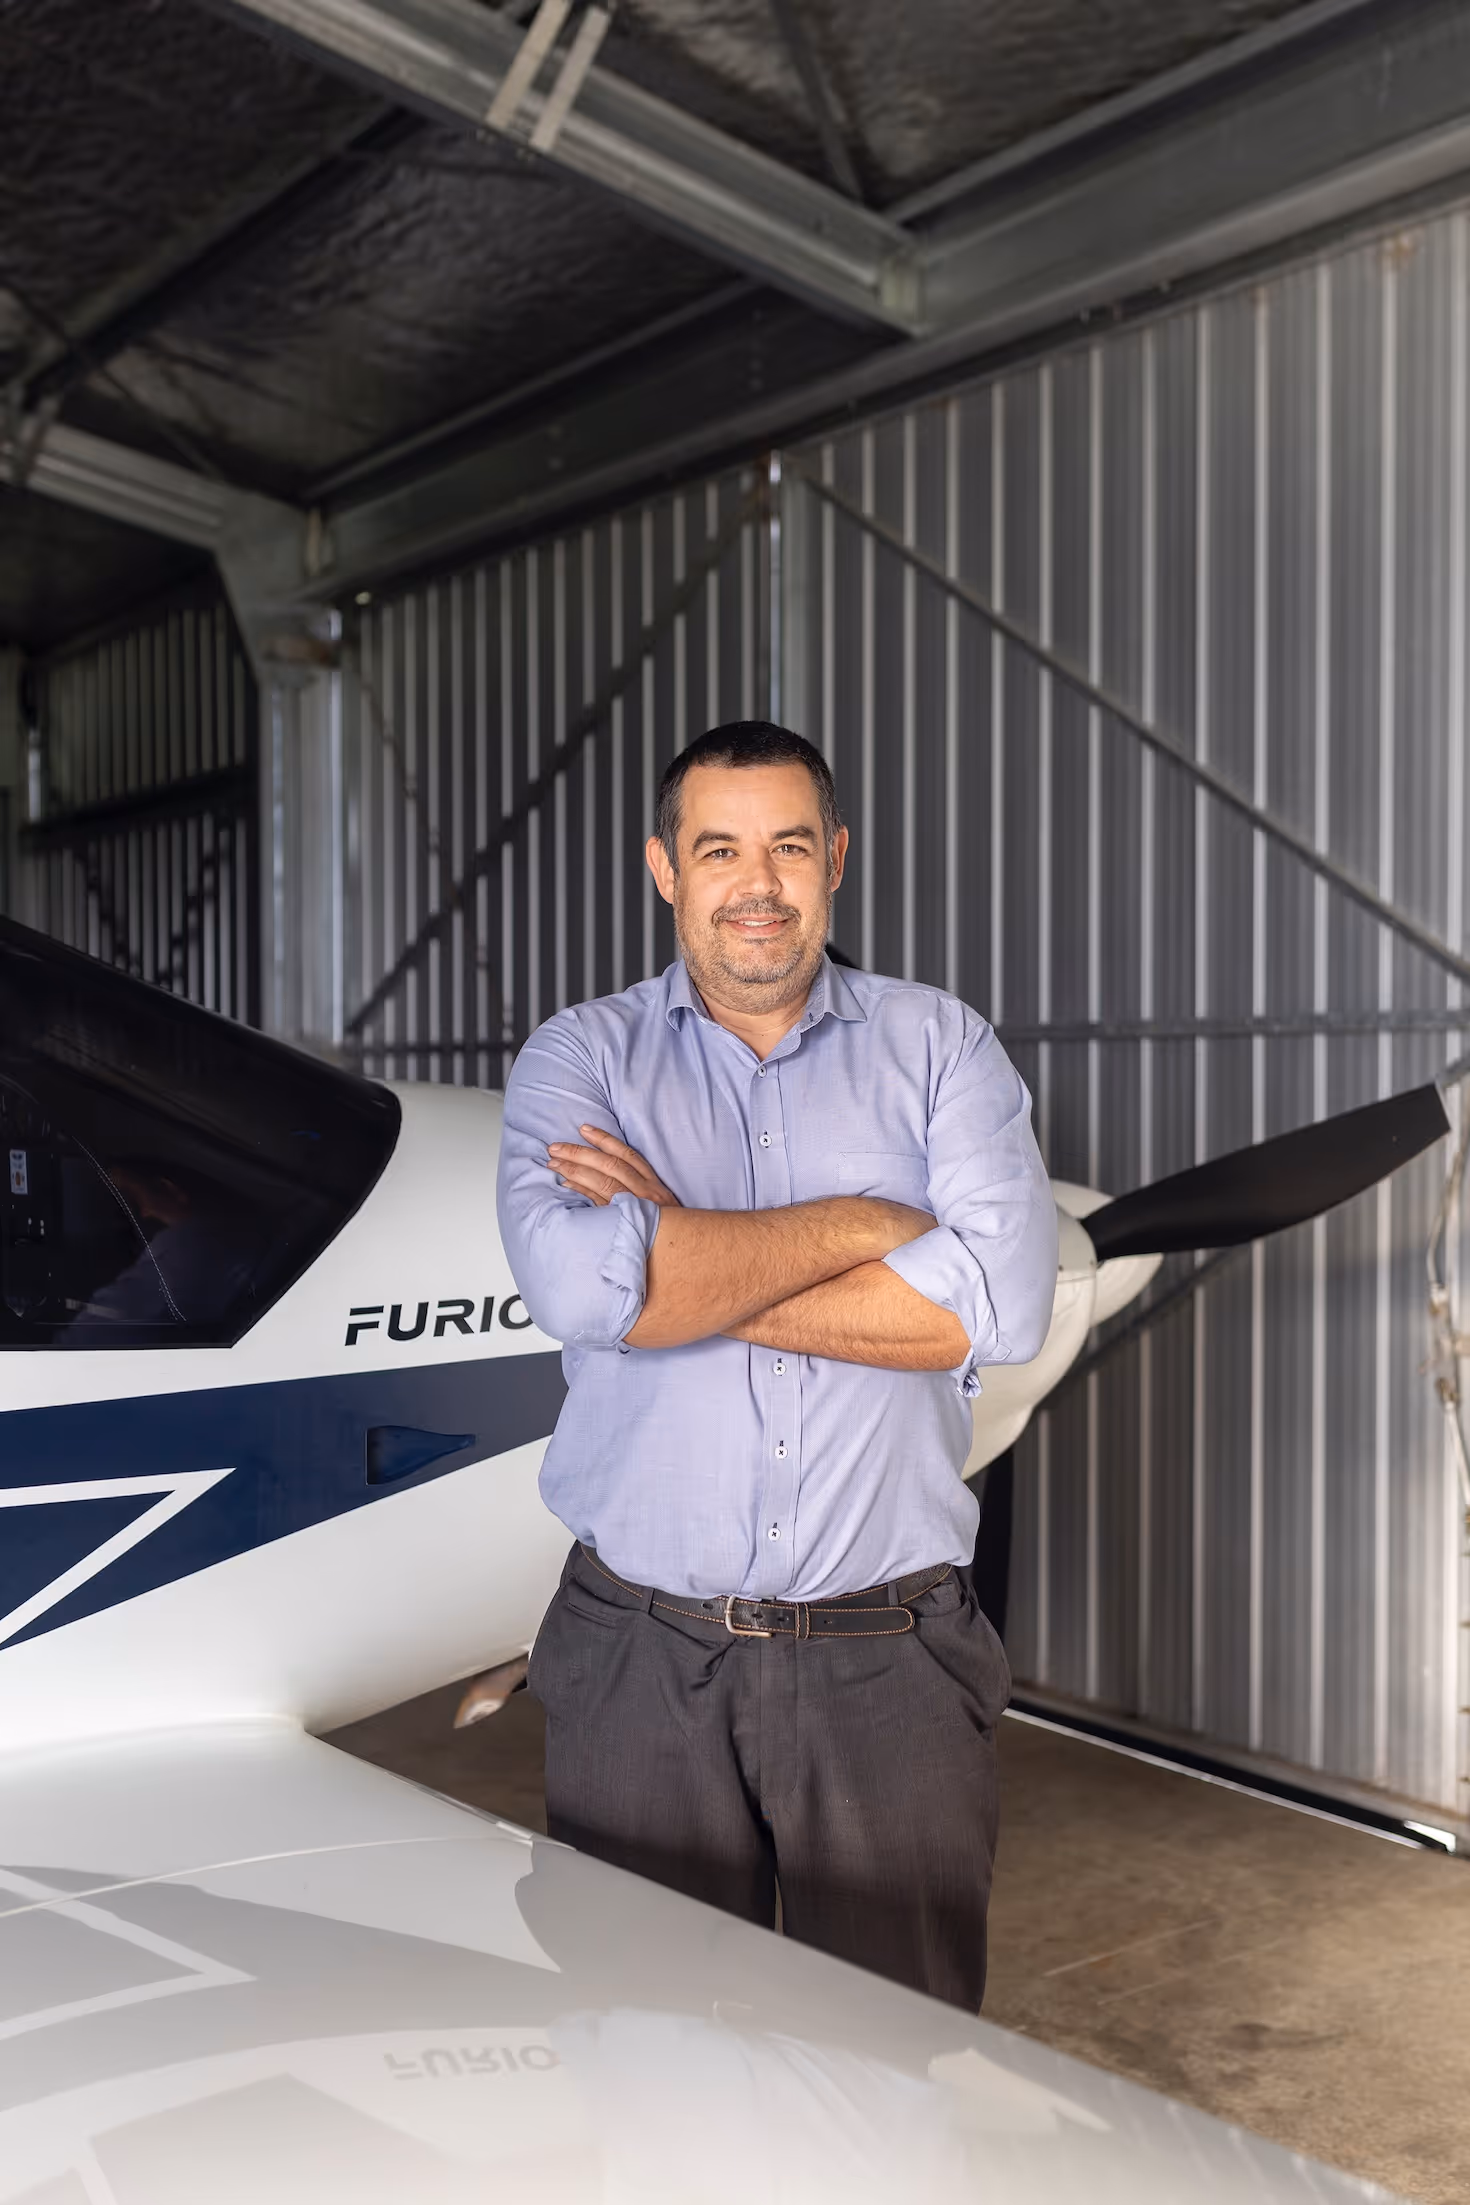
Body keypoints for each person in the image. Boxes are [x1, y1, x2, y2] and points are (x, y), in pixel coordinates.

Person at [496, 720, 1056, 2010]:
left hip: (891, 1661)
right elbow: (585, 1289)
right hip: (637, 1657)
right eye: (720, 849)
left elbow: (1003, 1307)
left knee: (894, 2069)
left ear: (837, 859)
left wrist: (681, 1264)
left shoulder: (942, 1048)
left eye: (789, 847)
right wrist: (867, 1227)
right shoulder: (581, 1057)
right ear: (664, 869)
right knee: (644, 2064)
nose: (759, 883)